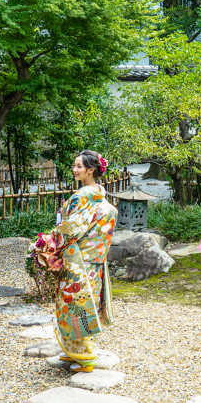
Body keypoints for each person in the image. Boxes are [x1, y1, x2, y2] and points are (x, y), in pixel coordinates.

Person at [40, 150, 117, 372]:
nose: (75, 170)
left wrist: (49, 244)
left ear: (91, 170)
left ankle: (85, 357)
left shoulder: (81, 197)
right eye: (74, 166)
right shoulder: (101, 197)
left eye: (79, 167)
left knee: (75, 305)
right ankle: (75, 350)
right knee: (85, 303)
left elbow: (69, 229)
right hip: (94, 261)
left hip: (78, 260)